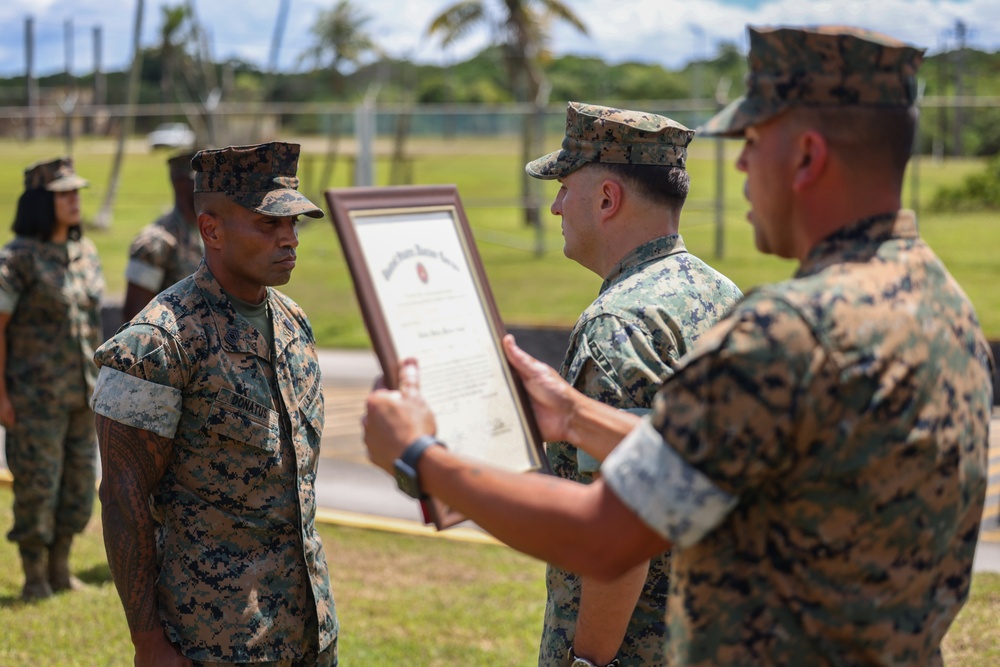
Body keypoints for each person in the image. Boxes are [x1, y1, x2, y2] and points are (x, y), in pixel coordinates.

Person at [363, 25, 995, 665]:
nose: (742, 165)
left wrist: (421, 456)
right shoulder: (940, 303)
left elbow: (604, 538)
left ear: (806, 156)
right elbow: (743, 473)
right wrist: (576, 414)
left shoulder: (793, 332)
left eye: (752, 142)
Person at [92, 141, 338, 666]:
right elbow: (122, 498)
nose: (290, 238)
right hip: (215, 641)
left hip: (309, 628)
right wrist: (147, 642)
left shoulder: (293, 321)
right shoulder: (157, 344)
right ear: (212, 230)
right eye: (268, 224)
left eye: (294, 223)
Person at [525, 102, 742, 667]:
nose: (555, 207)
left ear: (606, 199)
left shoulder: (616, 325)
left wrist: (587, 660)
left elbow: (622, 533)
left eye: (565, 188)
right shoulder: (719, 292)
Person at [0, 157, 104, 601]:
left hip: (83, 394)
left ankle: (62, 567)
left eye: (76, 192)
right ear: (41, 203)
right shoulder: (17, 260)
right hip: (34, 400)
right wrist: (1, 396)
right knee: (37, 488)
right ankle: (35, 576)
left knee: (80, 486)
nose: (74, 200)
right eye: (64, 194)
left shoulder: (86, 253)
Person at [121, 150, 203, 322]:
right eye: (200, 181)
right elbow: (134, 319)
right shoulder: (154, 244)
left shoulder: (210, 233)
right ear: (181, 184)